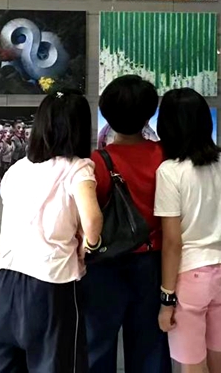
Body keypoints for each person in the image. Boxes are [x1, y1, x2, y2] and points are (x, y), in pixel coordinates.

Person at [0, 90, 103, 373]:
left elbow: (5, 239)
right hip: (51, 285)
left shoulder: (16, 171)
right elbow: (93, 219)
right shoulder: (77, 168)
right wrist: (90, 245)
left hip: (6, 283)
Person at [81, 75, 172, 373]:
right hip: (152, 263)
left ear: (106, 113)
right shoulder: (164, 156)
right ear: (148, 115)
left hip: (105, 264)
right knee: (150, 349)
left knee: (97, 347)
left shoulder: (97, 161)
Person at [154, 89, 221, 373]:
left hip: (191, 275)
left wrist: (166, 300)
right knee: (219, 356)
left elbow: (172, 243)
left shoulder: (170, 171)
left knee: (192, 364)